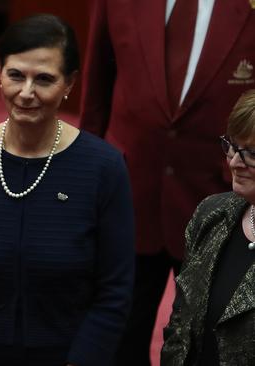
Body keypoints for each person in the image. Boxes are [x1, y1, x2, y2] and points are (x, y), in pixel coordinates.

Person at [0, 14, 135, 366]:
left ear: (70, 83)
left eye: (45, 79)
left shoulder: (104, 168)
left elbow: (114, 293)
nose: (26, 92)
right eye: (16, 75)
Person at [79, 0, 255, 364]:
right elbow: (96, 85)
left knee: (208, 339)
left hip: (222, 203)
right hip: (128, 195)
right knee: (116, 337)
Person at [161, 89, 255, 366]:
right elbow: (180, 324)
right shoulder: (211, 213)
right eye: (232, 146)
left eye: (250, 153)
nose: (235, 162)